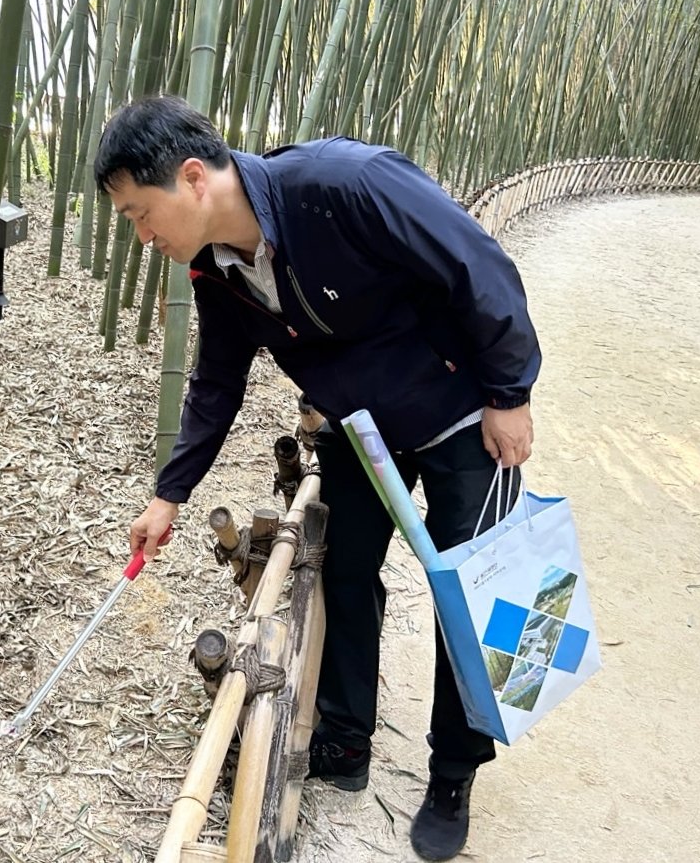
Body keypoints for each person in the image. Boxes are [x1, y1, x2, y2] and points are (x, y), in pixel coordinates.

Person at [94, 96, 540, 862]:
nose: (142, 235)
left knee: (470, 593)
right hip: (358, 429)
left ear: (192, 177)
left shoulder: (345, 184)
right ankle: (344, 734)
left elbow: (477, 264)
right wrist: (169, 491)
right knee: (344, 570)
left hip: (460, 407)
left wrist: (509, 393)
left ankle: (453, 770)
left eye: (140, 213)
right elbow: (215, 381)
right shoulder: (216, 267)